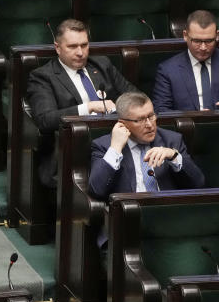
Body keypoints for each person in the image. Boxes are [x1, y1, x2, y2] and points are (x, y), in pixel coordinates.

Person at [26, 18, 137, 187]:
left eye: (84, 45)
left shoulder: (102, 64)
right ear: (57, 48)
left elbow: (136, 97)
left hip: (118, 143)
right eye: (72, 46)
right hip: (76, 152)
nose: (80, 52)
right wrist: (88, 107)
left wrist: (119, 107)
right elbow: (45, 120)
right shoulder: (43, 76)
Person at [89, 91, 204, 200]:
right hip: (130, 214)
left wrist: (174, 156)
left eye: (151, 116)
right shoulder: (104, 146)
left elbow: (198, 184)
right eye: (140, 120)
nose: (149, 125)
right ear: (123, 124)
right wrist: (115, 149)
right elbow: (97, 190)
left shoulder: (171, 140)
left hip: (168, 213)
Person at [152, 10, 219, 113]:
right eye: (197, 41)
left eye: (209, 41)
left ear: (217, 35)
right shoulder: (168, 69)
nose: (203, 47)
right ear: (185, 35)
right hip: (185, 128)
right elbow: (160, 110)